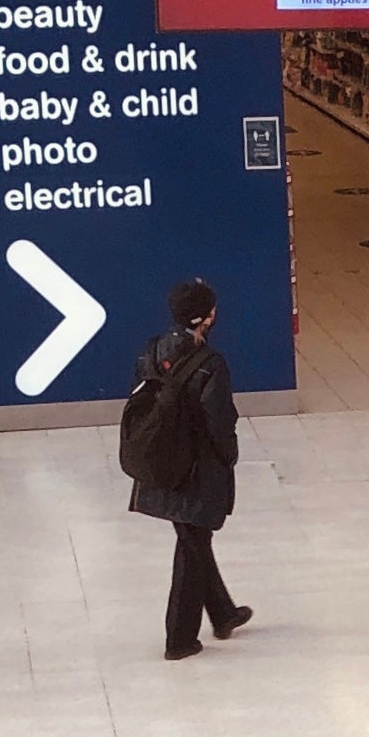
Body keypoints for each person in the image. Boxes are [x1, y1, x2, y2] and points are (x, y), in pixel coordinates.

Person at [125, 278, 249, 657]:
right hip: (197, 470)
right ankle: (179, 639)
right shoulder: (211, 365)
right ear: (209, 318)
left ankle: (223, 613)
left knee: (193, 539)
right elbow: (219, 423)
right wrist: (230, 458)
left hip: (161, 462)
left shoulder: (152, 350)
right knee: (192, 546)